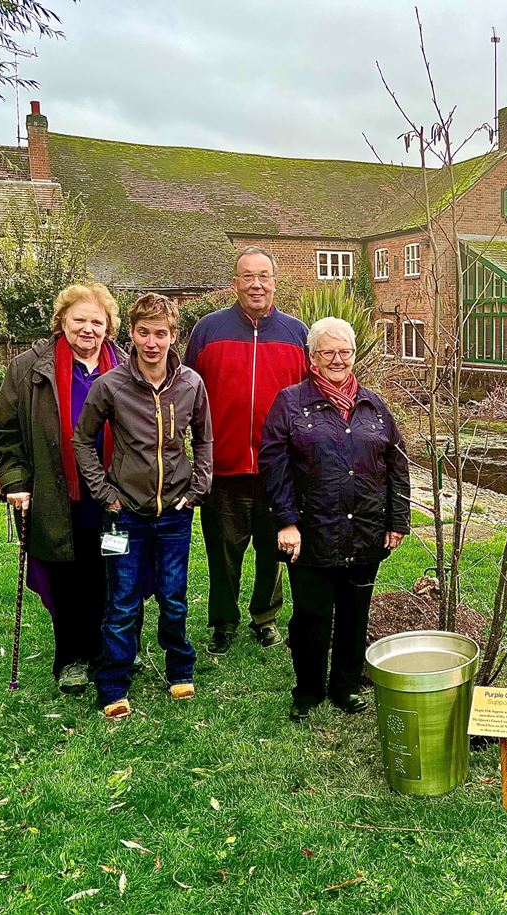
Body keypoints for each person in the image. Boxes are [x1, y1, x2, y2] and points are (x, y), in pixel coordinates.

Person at [259, 317, 411, 721]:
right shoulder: (290, 402)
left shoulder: (374, 405)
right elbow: (273, 465)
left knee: (354, 612)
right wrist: (286, 522)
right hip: (312, 531)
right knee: (311, 614)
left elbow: (397, 465)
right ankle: (307, 689)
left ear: (355, 354)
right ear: (313, 357)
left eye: (345, 352)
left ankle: (344, 686)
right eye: (328, 352)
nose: (338, 359)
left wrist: (397, 520)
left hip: (364, 529)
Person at [74, 294, 213, 719]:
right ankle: (114, 683)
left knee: (174, 596)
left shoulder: (191, 383)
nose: (151, 342)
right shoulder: (110, 385)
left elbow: (205, 438)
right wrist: (104, 493)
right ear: (130, 334)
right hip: (123, 516)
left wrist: (199, 484)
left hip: (175, 512)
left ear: (174, 337)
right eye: (143, 333)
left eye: (160, 334)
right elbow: (83, 440)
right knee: (122, 600)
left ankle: (179, 670)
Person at [0, 283, 123, 695]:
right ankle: (72, 659)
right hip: (57, 493)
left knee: (111, 573)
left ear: (109, 327)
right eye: (78, 319)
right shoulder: (29, 369)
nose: (87, 329)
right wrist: (15, 481)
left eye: (96, 322)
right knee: (68, 578)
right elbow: (3, 429)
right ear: (61, 321)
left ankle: (109, 651)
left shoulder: (125, 369)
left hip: (115, 497)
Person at [184, 246, 308, 656]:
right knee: (223, 552)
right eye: (247, 276)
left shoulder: (297, 334)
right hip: (222, 467)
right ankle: (223, 621)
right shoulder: (208, 331)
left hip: (279, 470)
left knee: (273, 552)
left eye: (264, 276)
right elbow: (187, 393)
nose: (256, 284)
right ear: (234, 281)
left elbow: (311, 400)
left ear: (275, 281)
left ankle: (265, 618)